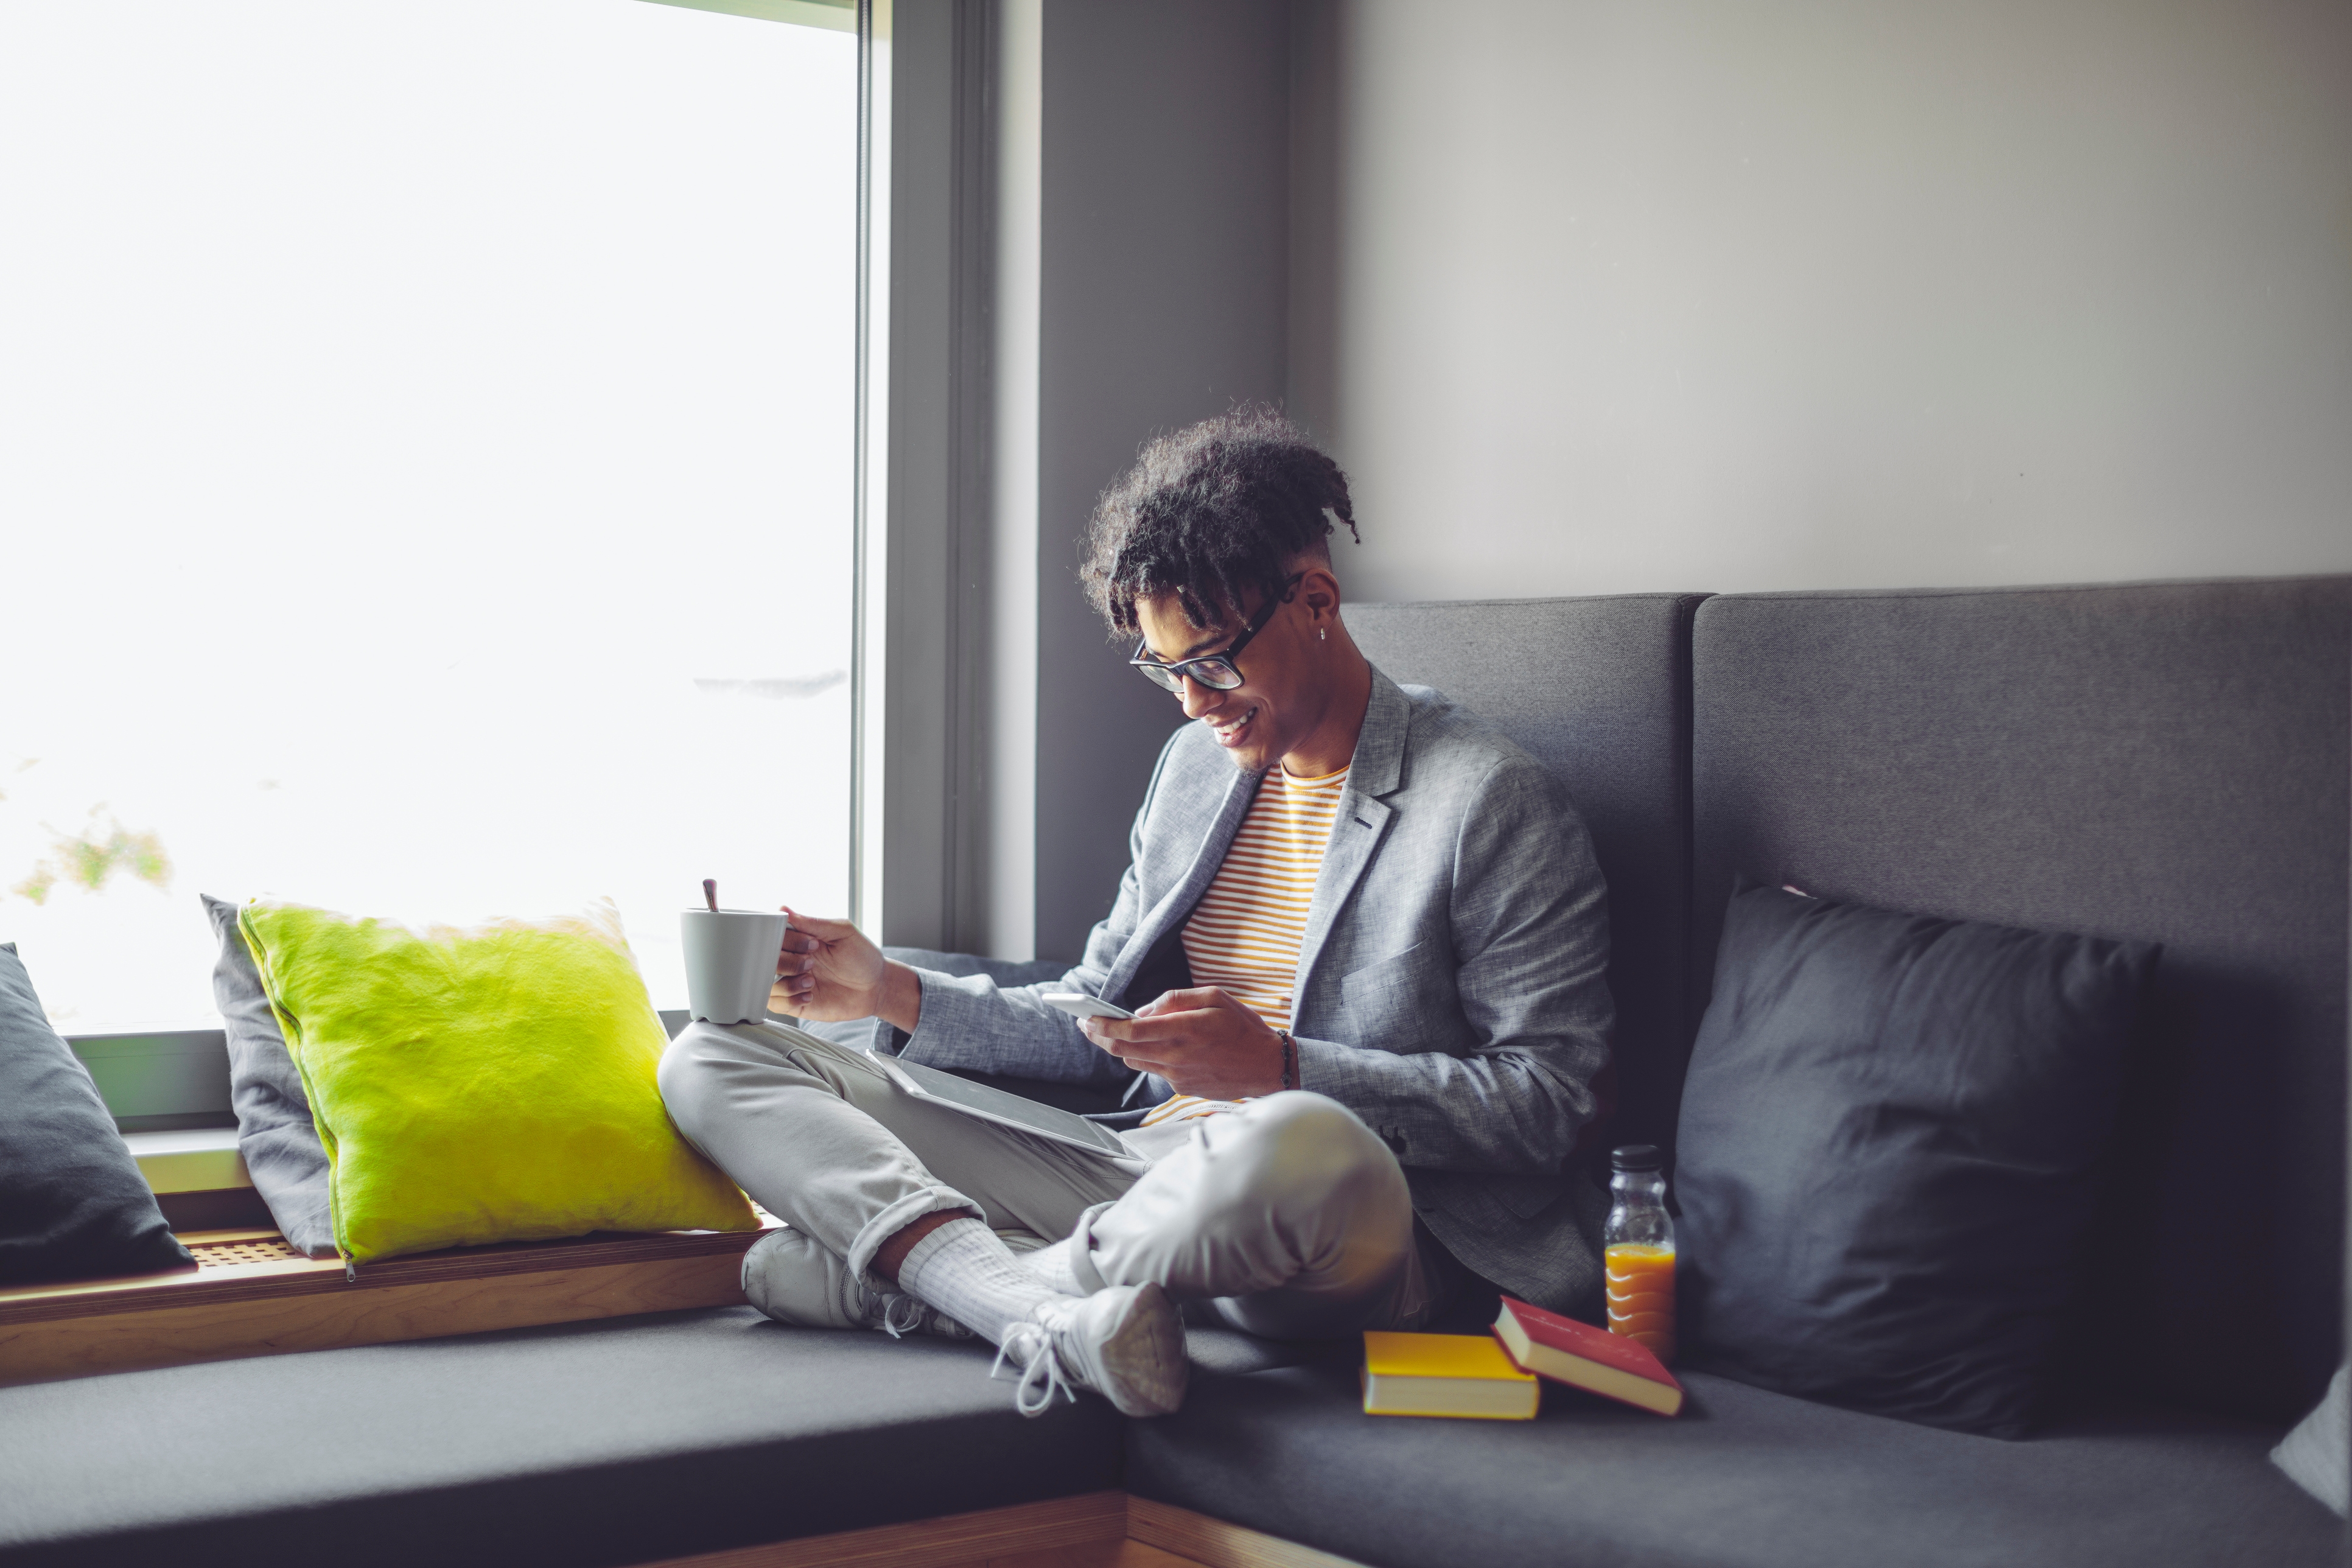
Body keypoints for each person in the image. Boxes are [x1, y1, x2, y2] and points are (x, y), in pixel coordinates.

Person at [657, 407, 1614, 1419]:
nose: (1193, 702)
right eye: (1166, 669)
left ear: (1316, 602)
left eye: (1212, 661)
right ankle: (1036, 1309)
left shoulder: (1486, 800)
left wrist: (1284, 1069)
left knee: (1304, 1138)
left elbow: (1552, 1103)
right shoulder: (1197, 771)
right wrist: (889, 990)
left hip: (1344, 1217)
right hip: (1137, 1172)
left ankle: (942, 1288)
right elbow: (1099, 1019)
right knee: (713, 1057)